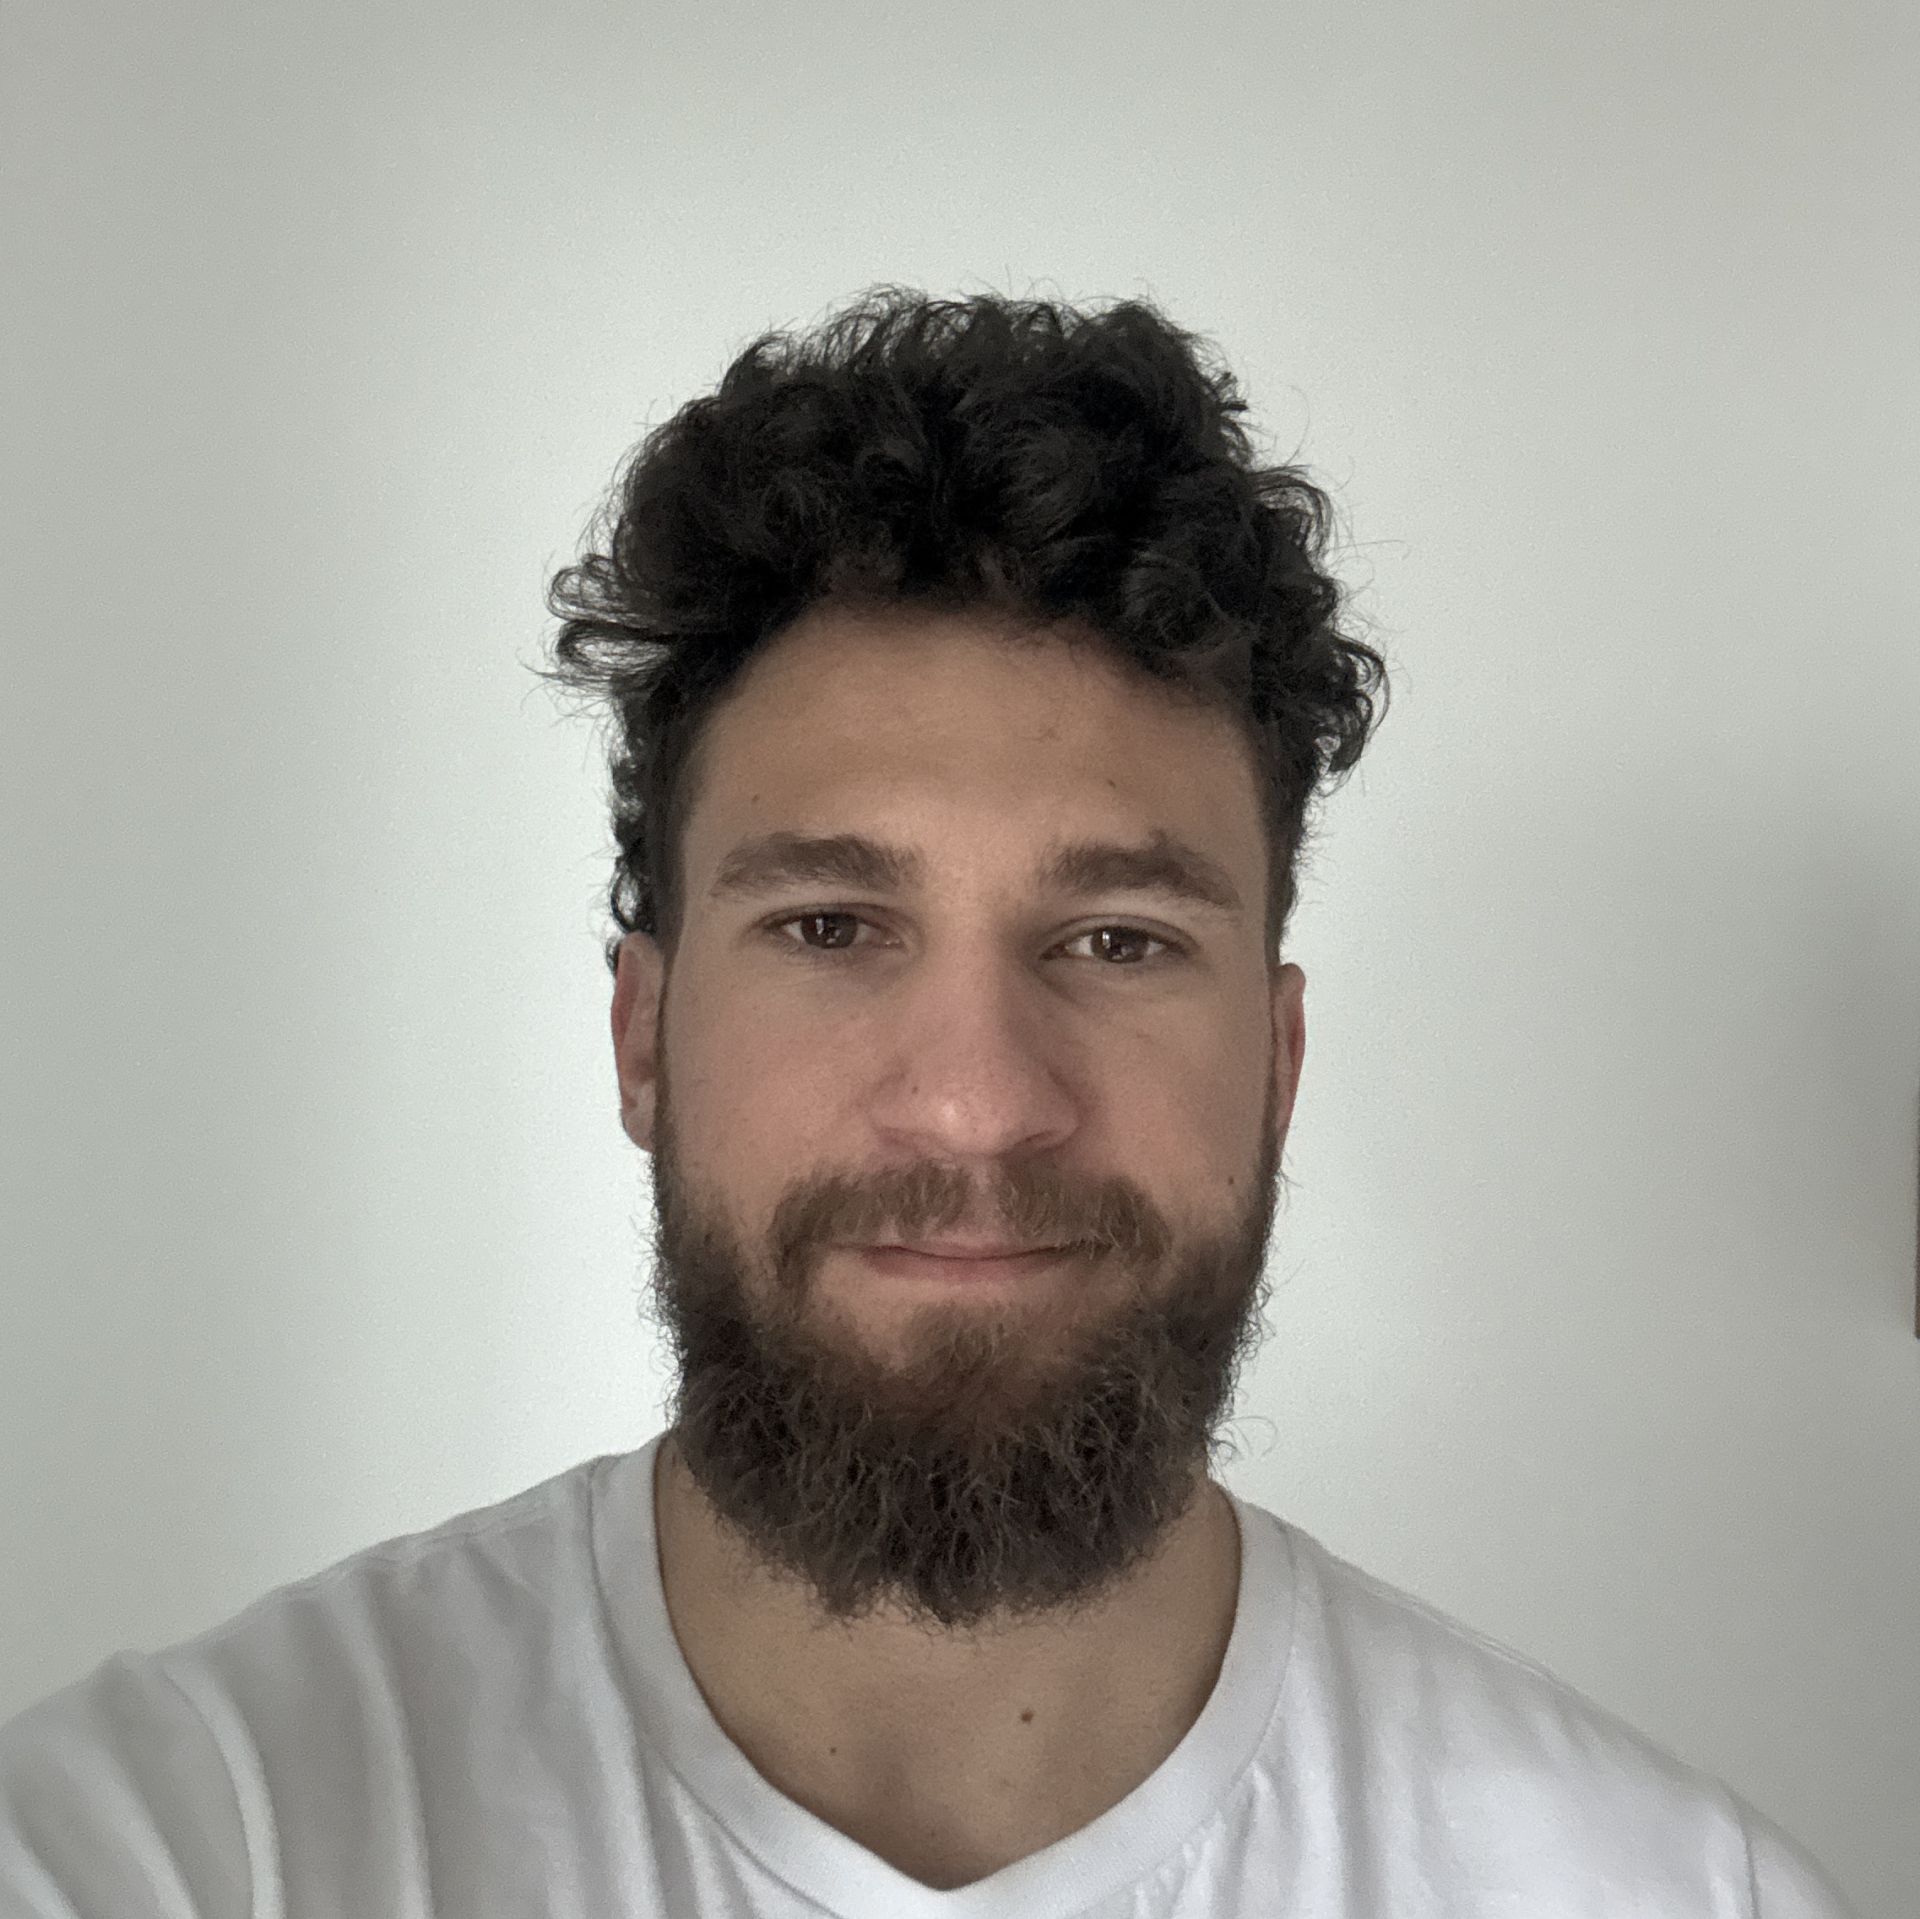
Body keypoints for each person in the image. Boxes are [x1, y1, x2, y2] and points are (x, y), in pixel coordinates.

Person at [0, 287, 1857, 1915]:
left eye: (1118, 941)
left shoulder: (1666, 1894)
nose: (976, 1108)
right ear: (643, 1035)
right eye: (830, 926)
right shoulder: (186, 1844)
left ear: (1280, 1062)